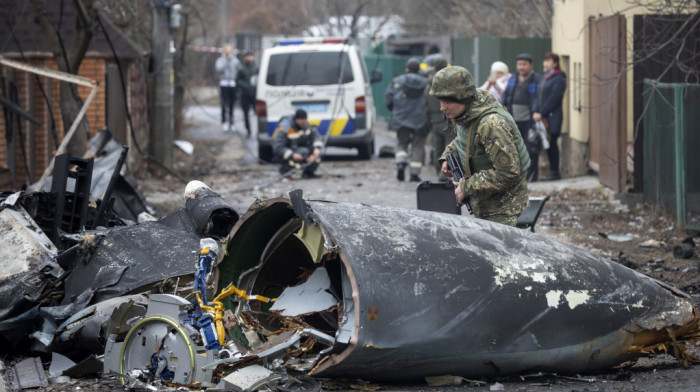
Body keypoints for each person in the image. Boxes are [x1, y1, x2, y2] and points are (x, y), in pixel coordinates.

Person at [430, 66, 530, 226]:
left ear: (463, 97)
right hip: (485, 203)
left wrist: (466, 186)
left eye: (447, 101)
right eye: (440, 101)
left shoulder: (491, 124)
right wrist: (448, 155)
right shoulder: (466, 113)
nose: (442, 108)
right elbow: (464, 141)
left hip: (503, 208)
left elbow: (509, 173)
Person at [384, 58, 429, 182]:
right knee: (417, 145)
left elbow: (388, 99)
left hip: (401, 117)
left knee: (402, 142)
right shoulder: (426, 83)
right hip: (420, 119)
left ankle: (400, 162)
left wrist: (395, 111)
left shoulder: (397, 81)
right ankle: (414, 174)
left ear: (407, 69)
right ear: (418, 69)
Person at [500, 53, 542, 181]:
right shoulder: (513, 78)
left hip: (530, 120)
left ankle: (532, 175)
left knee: (531, 148)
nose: (521, 67)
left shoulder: (537, 79)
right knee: (514, 148)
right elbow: (505, 96)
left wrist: (536, 111)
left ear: (530, 65)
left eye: (524, 64)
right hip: (514, 120)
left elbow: (539, 99)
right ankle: (519, 175)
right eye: (519, 64)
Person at [533, 52, 567, 181]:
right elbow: (538, 96)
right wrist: (536, 110)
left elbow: (555, 98)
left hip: (552, 117)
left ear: (555, 63)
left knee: (552, 144)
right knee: (546, 144)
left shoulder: (559, 78)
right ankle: (551, 171)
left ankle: (554, 171)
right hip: (542, 117)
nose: (545, 63)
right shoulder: (546, 77)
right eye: (544, 61)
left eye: (548, 61)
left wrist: (542, 112)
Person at [424, 56, 455, 177]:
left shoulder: (428, 85)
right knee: (450, 148)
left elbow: (426, 105)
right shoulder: (449, 83)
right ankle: (445, 175)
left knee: (437, 147)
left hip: (434, 121)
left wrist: (429, 120)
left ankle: (438, 173)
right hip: (448, 120)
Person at [272, 109, 322, 178]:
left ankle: (308, 173)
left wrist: (317, 148)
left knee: (315, 155)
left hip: (301, 150)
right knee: (302, 153)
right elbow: (278, 147)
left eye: (305, 119)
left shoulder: (305, 124)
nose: (304, 122)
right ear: (296, 119)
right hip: (288, 153)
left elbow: (315, 135)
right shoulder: (285, 126)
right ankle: (285, 171)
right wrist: (292, 155)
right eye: (301, 120)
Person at [215, 44, 241, 132]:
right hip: (224, 83)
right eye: (226, 51)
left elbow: (238, 71)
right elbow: (219, 69)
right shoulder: (221, 60)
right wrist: (226, 61)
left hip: (232, 84)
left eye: (229, 51)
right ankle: (224, 122)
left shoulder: (235, 61)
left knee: (231, 105)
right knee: (224, 104)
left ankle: (231, 122)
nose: (228, 53)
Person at [236, 50, 258, 138]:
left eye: (250, 56)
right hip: (245, 94)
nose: (249, 58)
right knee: (246, 114)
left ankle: (258, 131)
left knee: (258, 113)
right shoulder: (241, 69)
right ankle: (248, 130)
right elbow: (237, 80)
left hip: (255, 94)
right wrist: (246, 86)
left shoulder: (256, 68)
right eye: (247, 56)